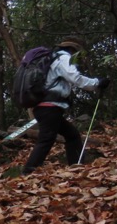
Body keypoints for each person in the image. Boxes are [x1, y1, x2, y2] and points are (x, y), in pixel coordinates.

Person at [22, 37, 110, 174]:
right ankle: (28, 172)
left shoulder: (53, 59)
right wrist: (97, 83)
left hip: (46, 107)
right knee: (47, 139)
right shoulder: (63, 58)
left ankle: (76, 167)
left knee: (72, 135)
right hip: (49, 106)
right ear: (73, 50)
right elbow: (75, 78)